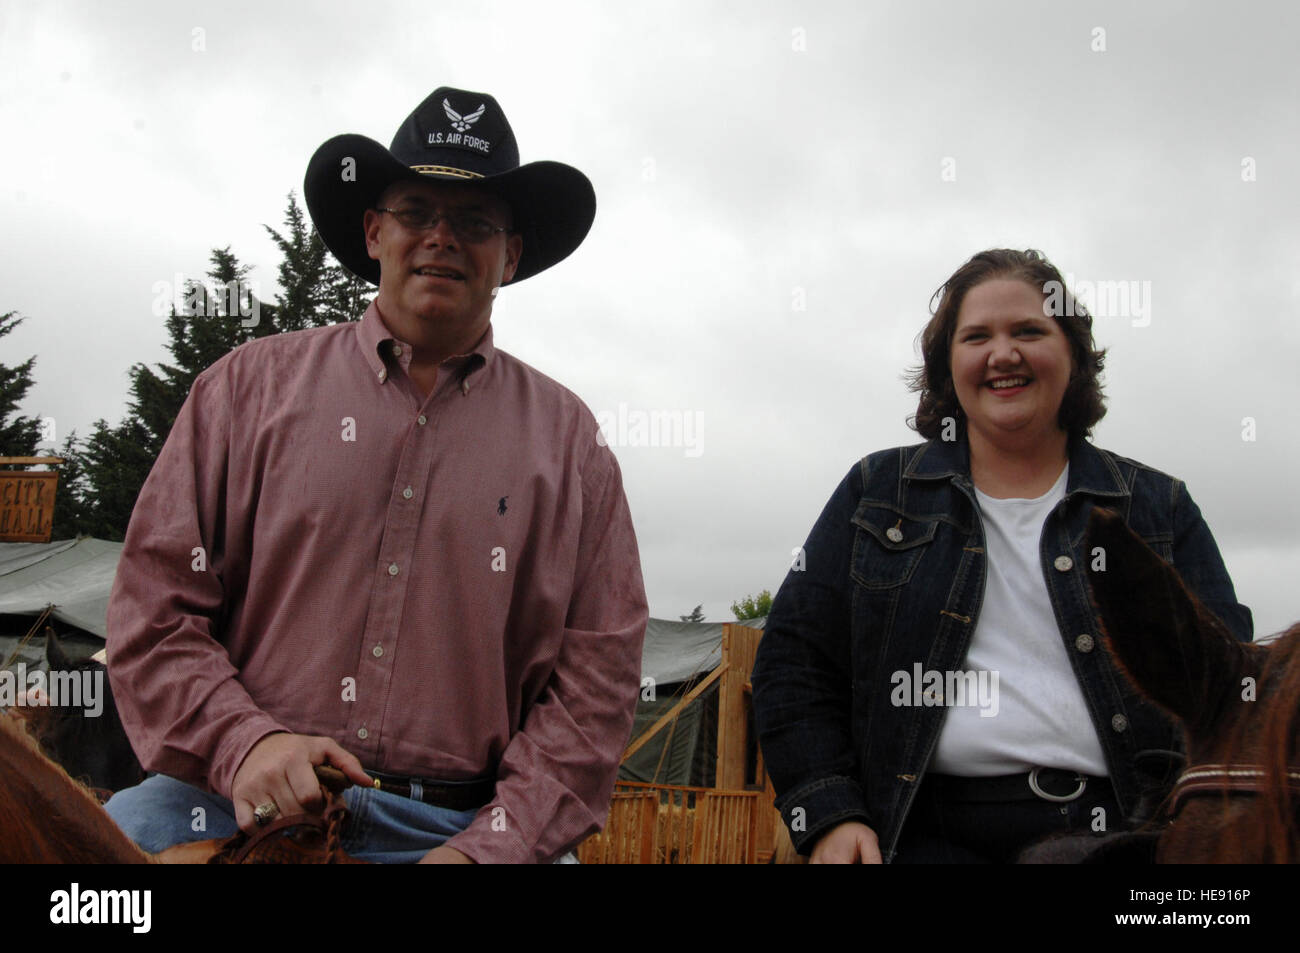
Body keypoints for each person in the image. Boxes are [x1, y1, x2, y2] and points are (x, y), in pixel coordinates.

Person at [104, 87, 648, 863]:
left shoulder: (572, 448)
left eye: (475, 223)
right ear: (374, 231)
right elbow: (153, 610)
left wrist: (488, 849)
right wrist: (245, 742)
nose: (441, 238)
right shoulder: (244, 391)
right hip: (221, 802)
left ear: (511, 255)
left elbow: (597, 686)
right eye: (418, 210)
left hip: (463, 830)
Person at [751, 248, 1252, 864]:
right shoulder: (878, 492)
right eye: (976, 337)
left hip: (1123, 835)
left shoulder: (1158, 507)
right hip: (919, 837)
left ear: (1072, 355)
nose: (1003, 354)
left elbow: (1229, 690)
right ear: (948, 365)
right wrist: (830, 814)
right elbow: (792, 662)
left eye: (1029, 331)